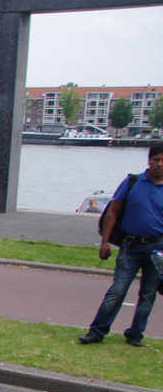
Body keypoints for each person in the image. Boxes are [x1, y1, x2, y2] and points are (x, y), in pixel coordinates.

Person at [78, 143, 163, 348]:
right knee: (117, 290)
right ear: (149, 161)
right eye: (156, 160)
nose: (160, 164)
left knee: (148, 294)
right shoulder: (133, 182)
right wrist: (104, 242)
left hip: (157, 248)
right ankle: (97, 331)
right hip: (131, 247)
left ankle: (135, 334)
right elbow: (113, 212)